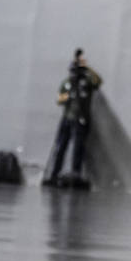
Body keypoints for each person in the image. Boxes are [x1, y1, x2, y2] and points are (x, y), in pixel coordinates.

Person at [44, 49, 102, 188]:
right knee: (61, 146)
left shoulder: (86, 83)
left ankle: (76, 173)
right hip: (67, 118)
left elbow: (98, 82)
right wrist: (68, 96)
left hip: (81, 119)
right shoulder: (67, 84)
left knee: (78, 148)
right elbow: (60, 100)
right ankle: (55, 173)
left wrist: (86, 68)